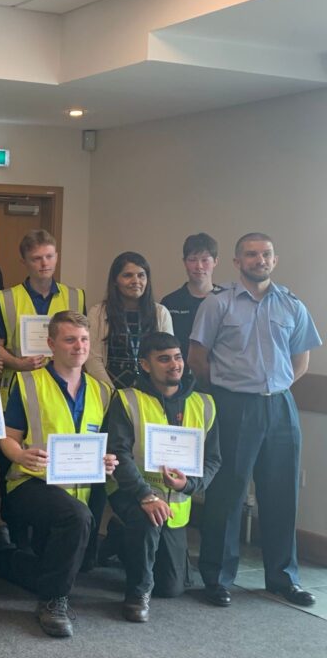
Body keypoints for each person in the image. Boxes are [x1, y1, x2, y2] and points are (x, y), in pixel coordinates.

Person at [190, 233, 322, 608]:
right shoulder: (219, 303)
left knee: (281, 494)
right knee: (227, 494)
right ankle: (217, 578)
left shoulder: (292, 305)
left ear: (275, 260)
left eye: (265, 254)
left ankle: (283, 578)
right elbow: (198, 357)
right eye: (251, 254)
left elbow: (301, 361)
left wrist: (274, 387)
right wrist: (233, 390)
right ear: (236, 262)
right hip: (234, 406)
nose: (259, 259)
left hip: (280, 407)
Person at [0, 311, 117, 638]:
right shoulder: (27, 382)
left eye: (84, 339)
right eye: (70, 339)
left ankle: (7, 561)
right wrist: (19, 454)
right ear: (51, 343)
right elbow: (6, 436)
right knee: (77, 520)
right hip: (30, 484)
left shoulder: (102, 391)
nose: (79, 346)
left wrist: (106, 461)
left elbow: (101, 444)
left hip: (78, 490)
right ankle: (52, 602)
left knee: (78, 560)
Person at [105, 332, 220, 622]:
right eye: (164, 359)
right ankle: (137, 594)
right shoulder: (126, 399)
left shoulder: (204, 404)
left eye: (178, 357)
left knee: (171, 587)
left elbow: (213, 460)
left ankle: (120, 539)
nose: (175, 365)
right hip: (132, 493)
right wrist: (146, 495)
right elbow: (119, 454)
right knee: (147, 520)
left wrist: (190, 484)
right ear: (145, 364)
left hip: (176, 504)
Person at [0, 229, 85, 395]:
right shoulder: (6, 299)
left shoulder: (75, 297)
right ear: (24, 261)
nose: (44, 264)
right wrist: (17, 363)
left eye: (49, 256)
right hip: (19, 385)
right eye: (36, 258)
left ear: (56, 257)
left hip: (64, 386)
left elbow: (85, 342)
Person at [85, 251, 173, 389]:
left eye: (141, 275)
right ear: (115, 280)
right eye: (127, 275)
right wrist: (111, 393)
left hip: (150, 394)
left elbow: (168, 356)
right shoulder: (98, 312)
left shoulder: (161, 313)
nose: (136, 281)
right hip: (109, 393)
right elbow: (93, 358)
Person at [160, 233, 223, 363]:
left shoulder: (226, 300)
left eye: (205, 260)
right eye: (192, 259)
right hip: (179, 375)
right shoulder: (170, 303)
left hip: (220, 375)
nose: (199, 266)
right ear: (184, 262)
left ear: (215, 261)